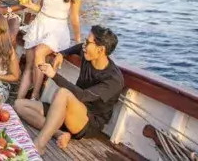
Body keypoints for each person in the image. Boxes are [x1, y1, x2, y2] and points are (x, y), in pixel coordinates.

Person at [14, 25, 124, 154]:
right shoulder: (87, 54)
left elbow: (83, 96)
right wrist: (62, 53)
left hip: (88, 122)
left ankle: (39, 145)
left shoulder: (113, 79)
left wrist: (54, 75)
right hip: (67, 109)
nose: (84, 45)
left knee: (63, 93)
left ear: (100, 50)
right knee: (19, 105)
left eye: (88, 42)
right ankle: (59, 133)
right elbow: (77, 48)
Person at [17, 0, 84, 100]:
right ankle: (18, 102)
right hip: (40, 24)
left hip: (57, 29)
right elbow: (40, 8)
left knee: (39, 52)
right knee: (29, 65)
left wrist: (78, 40)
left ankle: (35, 96)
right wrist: (28, 4)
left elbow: (74, 17)